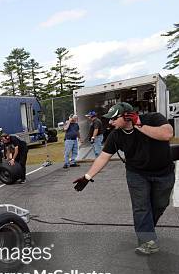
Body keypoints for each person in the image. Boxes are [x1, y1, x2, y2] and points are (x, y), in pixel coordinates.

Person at [73, 102, 175, 255]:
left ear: (127, 116)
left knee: (160, 204)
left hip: (163, 173)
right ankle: (147, 241)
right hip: (137, 174)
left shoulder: (153, 118)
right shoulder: (116, 135)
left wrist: (139, 124)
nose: (110, 122)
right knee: (141, 207)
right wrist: (87, 177)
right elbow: (103, 157)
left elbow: (167, 134)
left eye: (113, 119)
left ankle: (147, 229)